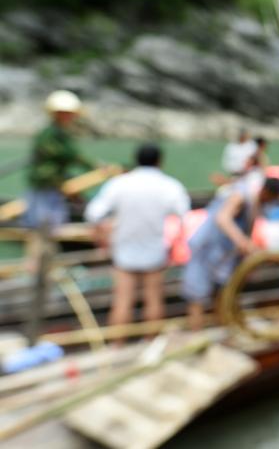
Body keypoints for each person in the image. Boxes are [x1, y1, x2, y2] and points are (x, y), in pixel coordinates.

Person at [85, 144, 190, 332]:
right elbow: (185, 218)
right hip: (155, 251)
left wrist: (102, 239)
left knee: (123, 300)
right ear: (160, 161)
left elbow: (93, 214)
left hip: (124, 251)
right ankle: (151, 341)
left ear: (136, 159)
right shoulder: (170, 186)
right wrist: (175, 245)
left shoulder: (120, 183)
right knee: (154, 298)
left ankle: (117, 344)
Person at [182, 176, 279, 331]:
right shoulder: (242, 195)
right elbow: (222, 218)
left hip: (223, 256)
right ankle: (196, 335)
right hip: (207, 249)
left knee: (223, 295)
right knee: (197, 298)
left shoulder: (255, 204)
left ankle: (223, 333)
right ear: (266, 192)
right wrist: (243, 242)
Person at [24, 90, 96, 231]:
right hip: (46, 183)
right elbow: (69, 155)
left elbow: (71, 155)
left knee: (52, 219)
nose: (71, 117)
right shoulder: (50, 134)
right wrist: (94, 166)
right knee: (44, 222)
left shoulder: (60, 133)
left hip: (55, 183)